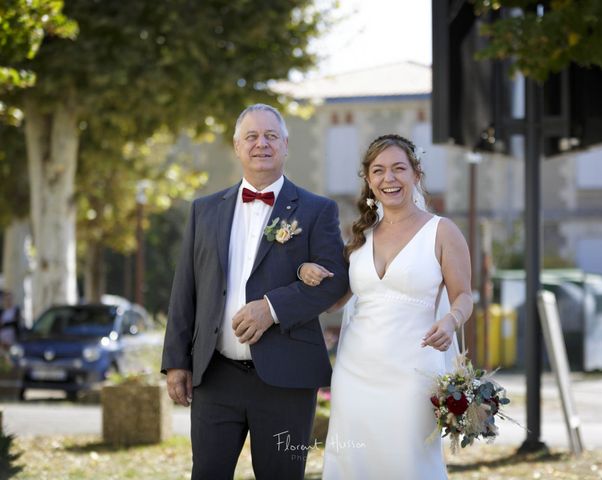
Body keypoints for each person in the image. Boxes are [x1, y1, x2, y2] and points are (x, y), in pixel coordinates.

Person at [161, 103, 349, 480]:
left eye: (270, 136)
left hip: (287, 381)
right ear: (236, 146)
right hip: (215, 377)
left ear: (286, 145)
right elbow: (186, 289)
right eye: (251, 136)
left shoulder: (317, 210)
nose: (260, 144)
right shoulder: (204, 210)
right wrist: (176, 361)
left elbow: (336, 283)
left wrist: (272, 308)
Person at [299, 134, 473, 479]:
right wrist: (306, 272)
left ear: (416, 175)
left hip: (414, 373)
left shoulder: (441, 231)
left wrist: (451, 320)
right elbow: (334, 300)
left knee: (407, 462)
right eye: (378, 171)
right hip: (355, 372)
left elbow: (464, 295)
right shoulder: (360, 237)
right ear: (368, 180)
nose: (388, 179)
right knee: (353, 463)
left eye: (398, 169)